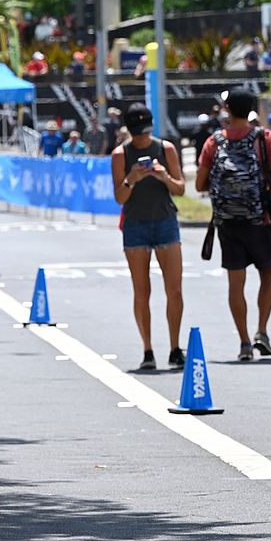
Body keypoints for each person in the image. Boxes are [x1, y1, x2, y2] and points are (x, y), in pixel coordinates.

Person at [196, 89, 271, 361]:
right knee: (268, 275)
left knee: (236, 284)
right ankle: (261, 332)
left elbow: (199, 184)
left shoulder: (214, 142)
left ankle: (243, 343)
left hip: (228, 224)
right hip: (260, 221)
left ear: (228, 110)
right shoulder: (265, 139)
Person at [111, 104, 186, 370]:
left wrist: (164, 176)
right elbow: (119, 197)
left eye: (145, 133)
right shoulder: (121, 154)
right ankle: (148, 350)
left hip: (165, 221)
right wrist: (131, 179)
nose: (143, 139)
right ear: (130, 132)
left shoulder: (165, 149)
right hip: (136, 225)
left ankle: (175, 347)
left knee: (174, 289)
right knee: (142, 291)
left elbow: (180, 189)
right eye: (138, 134)